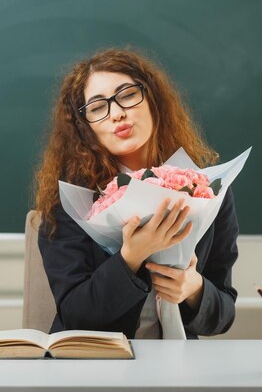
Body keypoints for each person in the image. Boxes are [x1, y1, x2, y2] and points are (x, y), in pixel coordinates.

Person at [33, 48, 239, 339]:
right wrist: (130, 257)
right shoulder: (71, 201)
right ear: (85, 127)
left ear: (152, 98)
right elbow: (75, 315)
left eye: (127, 94)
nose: (117, 113)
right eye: (96, 107)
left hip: (179, 370)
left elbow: (224, 315)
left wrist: (194, 289)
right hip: (95, 368)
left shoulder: (204, 192)